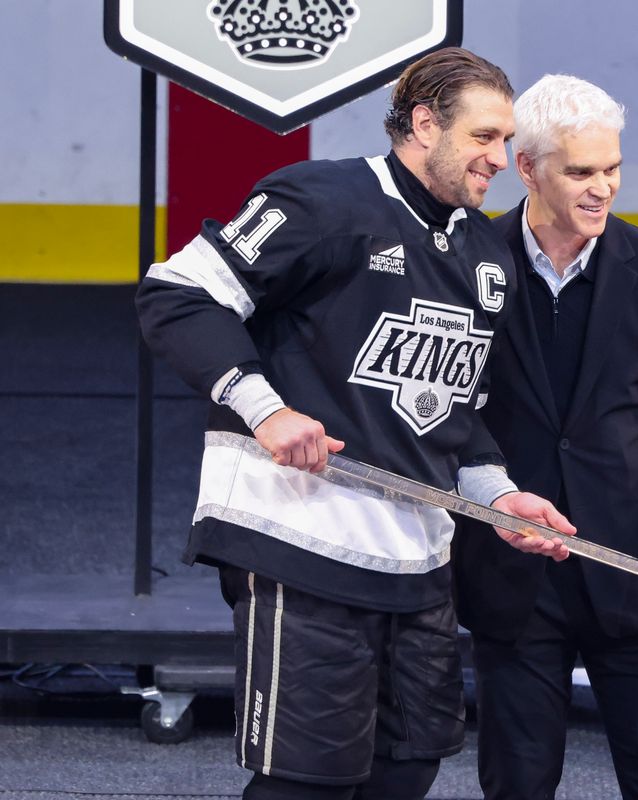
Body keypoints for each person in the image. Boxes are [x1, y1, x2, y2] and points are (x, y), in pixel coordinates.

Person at [135, 47, 575, 800]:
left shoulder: (483, 257)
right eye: (483, 137)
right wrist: (265, 408)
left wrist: (498, 495)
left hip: (417, 565)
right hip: (299, 544)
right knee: (308, 786)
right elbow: (177, 294)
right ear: (424, 123)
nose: (501, 159)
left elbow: (455, 413)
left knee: (407, 772)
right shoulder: (323, 200)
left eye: (506, 140)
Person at [451, 74, 638, 800]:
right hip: (513, 580)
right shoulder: (461, 262)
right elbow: (444, 407)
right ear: (528, 169)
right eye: (580, 171)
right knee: (517, 785)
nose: (601, 188)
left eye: (611, 169)